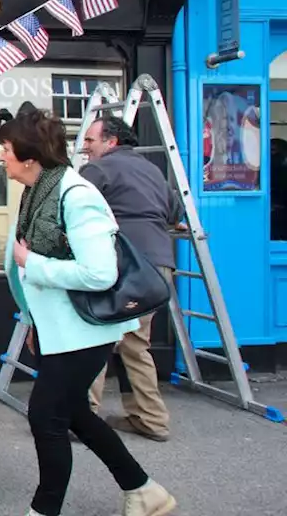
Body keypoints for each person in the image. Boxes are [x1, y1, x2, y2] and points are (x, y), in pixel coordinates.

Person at [0, 109, 176, 516]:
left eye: (6, 150)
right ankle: (144, 490)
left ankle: (43, 511)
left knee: (46, 416)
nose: (1, 157)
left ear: (28, 157)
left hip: (86, 330)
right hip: (57, 328)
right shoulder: (37, 191)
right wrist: (30, 319)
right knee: (76, 412)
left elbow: (99, 273)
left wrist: (33, 263)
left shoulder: (75, 194)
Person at [79, 116, 182, 442]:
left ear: (111, 142)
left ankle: (82, 420)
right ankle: (151, 419)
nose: (85, 147)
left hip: (122, 267)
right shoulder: (152, 170)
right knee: (137, 346)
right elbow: (176, 212)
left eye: (91, 141)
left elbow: (71, 207)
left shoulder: (99, 169)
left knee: (96, 340)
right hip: (158, 268)